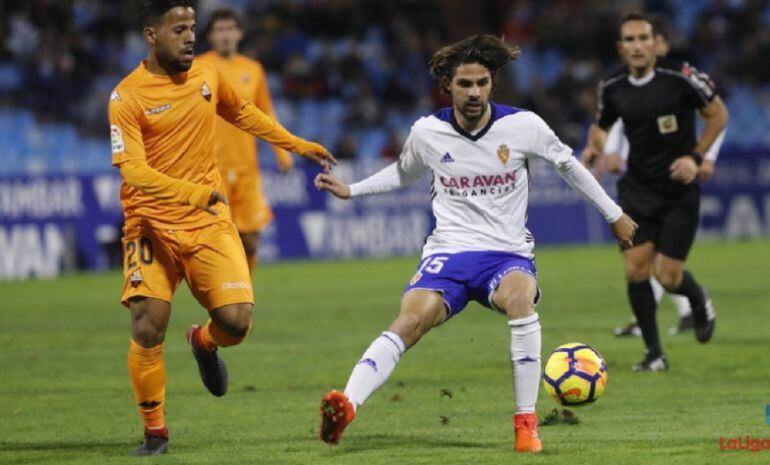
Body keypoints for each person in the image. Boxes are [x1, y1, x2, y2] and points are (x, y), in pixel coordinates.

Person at [313, 34, 637, 453]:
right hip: (447, 253)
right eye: (465, 84)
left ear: (492, 84)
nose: (474, 92)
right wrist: (352, 191)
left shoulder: (523, 126)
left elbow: (568, 166)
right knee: (409, 322)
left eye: (482, 83)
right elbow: (403, 172)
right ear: (447, 85)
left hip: (506, 254)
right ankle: (347, 405)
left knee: (521, 299)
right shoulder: (428, 132)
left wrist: (613, 214)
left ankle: (525, 424)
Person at [109, 0, 333, 456]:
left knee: (236, 322)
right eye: (179, 29)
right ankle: (155, 433)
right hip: (150, 224)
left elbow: (243, 113)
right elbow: (132, 171)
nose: (190, 36)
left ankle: (203, 342)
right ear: (152, 36)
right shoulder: (126, 96)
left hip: (207, 223)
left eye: (192, 27)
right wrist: (190, 192)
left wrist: (294, 144)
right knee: (147, 324)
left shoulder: (209, 76)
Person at [581, 12, 728, 372]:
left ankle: (698, 299)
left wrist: (696, 157)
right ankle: (654, 354)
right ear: (621, 48)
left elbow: (718, 115)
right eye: (629, 40)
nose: (637, 46)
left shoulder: (681, 77)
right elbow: (601, 126)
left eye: (643, 38)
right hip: (636, 190)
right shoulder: (612, 86)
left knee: (668, 276)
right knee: (635, 270)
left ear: (655, 43)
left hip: (679, 190)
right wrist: (595, 148)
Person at [198, 9, 294, 273]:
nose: (225, 35)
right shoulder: (198, 69)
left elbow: (266, 115)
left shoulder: (253, 69)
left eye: (230, 28)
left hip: (246, 170)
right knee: (218, 244)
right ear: (210, 36)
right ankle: (222, 307)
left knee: (250, 241)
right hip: (211, 171)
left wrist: (283, 153)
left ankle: (242, 304)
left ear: (239, 33)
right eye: (219, 29)